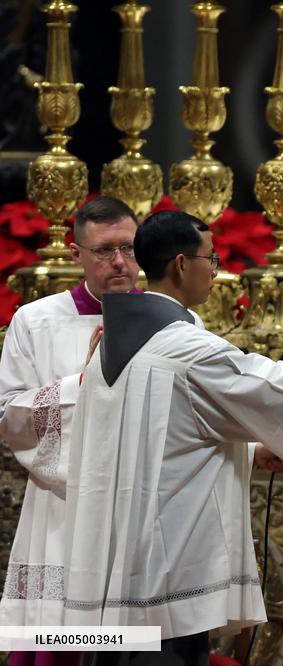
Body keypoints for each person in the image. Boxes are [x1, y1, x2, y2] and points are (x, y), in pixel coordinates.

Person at [56, 210, 283, 664]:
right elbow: (274, 386)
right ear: (182, 265)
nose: (217, 269)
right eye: (212, 258)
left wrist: (250, 452)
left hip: (115, 574)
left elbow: (157, 441)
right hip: (164, 582)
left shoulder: (116, 344)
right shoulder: (184, 349)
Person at [0, 196, 140, 666]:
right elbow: (8, 417)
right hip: (63, 515)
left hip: (139, 513)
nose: (119, 261)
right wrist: (82, 385)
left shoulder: (175, 322)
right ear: (75, 252)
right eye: (104, 250)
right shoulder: (36, 322)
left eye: (128, 247)